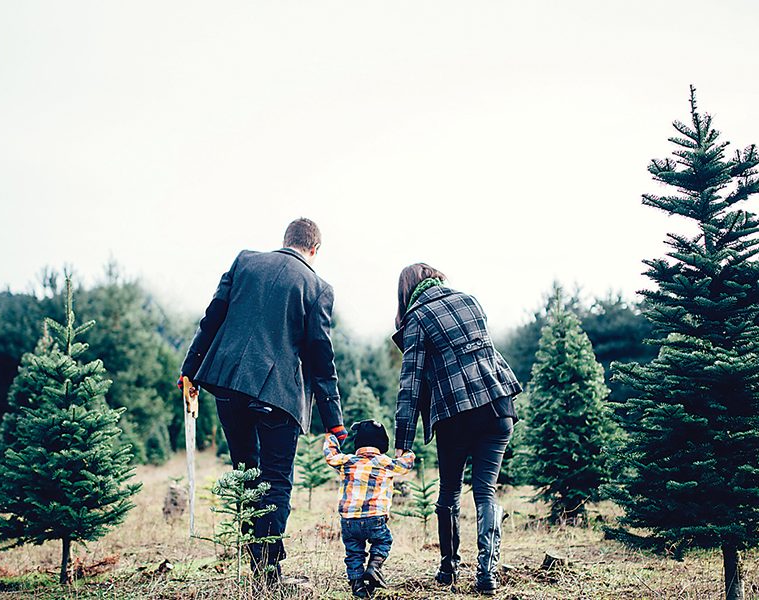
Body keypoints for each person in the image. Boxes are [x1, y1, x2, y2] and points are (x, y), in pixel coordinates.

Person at [179, 218, 346, 583]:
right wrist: (335, 422)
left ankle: (255, 563)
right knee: (275, 479)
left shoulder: (245, 261)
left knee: (246, 472)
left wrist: (189, 370)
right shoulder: (317, 287)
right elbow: (321, 358)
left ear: (285, 240)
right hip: (279, 396)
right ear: (315, 250)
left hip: (228, 384)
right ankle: (267, 573)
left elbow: (212, 319)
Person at [391, 263, 522, 595]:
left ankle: (449, 569)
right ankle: (487, 573)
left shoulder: (417, 317)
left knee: (449, 491)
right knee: (486, 492)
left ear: (407, 290)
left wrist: (402, 442)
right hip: (497, 405)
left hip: (455, 414)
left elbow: (410, 383)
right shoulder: (470, 300)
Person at [322, 420, 416, 598]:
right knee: (383, 541)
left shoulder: (347, 461)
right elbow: (406, 464)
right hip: (375, 517)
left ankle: (357, 586)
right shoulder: (385, 463)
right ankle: (374, 567)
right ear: (382, 445)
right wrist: (406, 451)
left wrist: (331, 436)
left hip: (349, 519)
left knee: (353, 551)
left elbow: (330, 455)